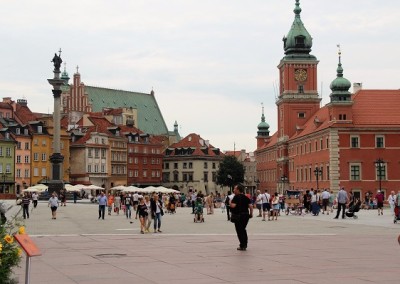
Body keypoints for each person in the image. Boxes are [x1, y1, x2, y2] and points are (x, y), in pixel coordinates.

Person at [229, 183, 253, 251]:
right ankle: (245, 243)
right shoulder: (246, 197)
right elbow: (250, 206)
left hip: (238, 216)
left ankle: (242, 245)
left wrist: (230, 202)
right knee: (243, 229)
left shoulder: (236, 197)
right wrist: (251, 214)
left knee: (239, 230)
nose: (234, 190)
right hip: (246, 216)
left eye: (235, 189)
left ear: (238, 190)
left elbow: (233, 206)